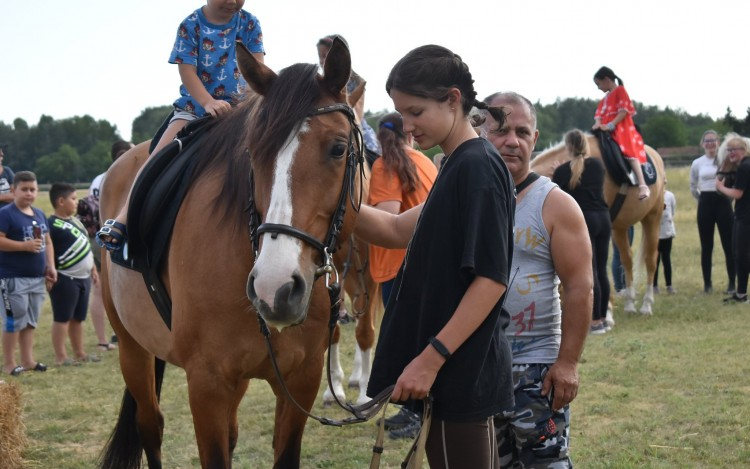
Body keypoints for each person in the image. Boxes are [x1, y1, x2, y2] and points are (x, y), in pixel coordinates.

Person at [355, 45, 515, 468]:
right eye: (400, 114)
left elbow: (491, 279)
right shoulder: (454, 165)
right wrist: (324, 201)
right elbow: (393, 229)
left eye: (416, 112)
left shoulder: (477, 168)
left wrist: (429, 360)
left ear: (453, 99)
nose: (406, 127)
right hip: (447, 368)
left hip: (458, 369)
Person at [97, 0, 265, 251]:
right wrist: (207, 102)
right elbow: (187, 71)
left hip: (241, 110)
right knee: (157, 158)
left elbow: (257, 68)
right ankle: (123, 217)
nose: (233, 1)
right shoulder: (191, 25)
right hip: (194, 109)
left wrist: (249, 103)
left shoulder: (250, 22)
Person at [482, 92, 592, 468]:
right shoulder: (463, 196)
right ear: (479, 130)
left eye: (522, 131)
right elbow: (398, 229)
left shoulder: (555, 204)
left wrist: (567, 363)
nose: (512, 140)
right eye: (500, 130)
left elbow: (579, 287)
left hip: (535, 370)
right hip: (478, 366)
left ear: (534, 137)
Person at [368, 112, 437, 439]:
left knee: (406, 344)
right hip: (428, 262)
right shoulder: (424, 161)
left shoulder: (385, 165)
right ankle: (415, 410)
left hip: (398, 264)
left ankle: (413, 414)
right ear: (408, 135)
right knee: (419, 342)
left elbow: (387, 217)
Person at [552, 129, 611, 334]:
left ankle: (593, 321)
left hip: (584, 221)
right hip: (603, 219)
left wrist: (557, 173)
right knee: (602, 270)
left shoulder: (561, 172)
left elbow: (558, 195)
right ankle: (603, 318)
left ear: (568, 147)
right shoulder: (598, 165)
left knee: (590, 271)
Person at [0, 171, 56, 376]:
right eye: (24, 190)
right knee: (14, 320)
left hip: (36, 278)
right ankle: (9, 363)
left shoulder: (40, 214)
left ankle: (28, 360)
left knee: (31, 320)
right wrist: (23, 246)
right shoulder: (6, 214)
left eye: (33, 189)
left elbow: (48, 242)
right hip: (12, 278)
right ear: (13, 190)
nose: (29, 194)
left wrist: (51, 266)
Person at [84, 140, 133, 350]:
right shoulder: (124, 176)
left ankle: (106, 335)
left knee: (100, 290)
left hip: (99, 233)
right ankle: (121, 330)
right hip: (118, 235)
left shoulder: (98, 179)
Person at [47, 183, 101, 366]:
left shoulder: (76, 221)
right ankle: (61, 356)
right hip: (65, 277)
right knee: (62, 318)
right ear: (61, 201)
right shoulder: (51, 225)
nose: (76, 202)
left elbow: (86, 246)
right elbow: (47, 251)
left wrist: (93, 269)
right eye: (73, 198)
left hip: (83, 278)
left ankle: (79, 352)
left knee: (78, 318)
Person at [316, 34, 381, 165]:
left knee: (372, 161)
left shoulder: (357, 82)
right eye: (320, 57)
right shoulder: (319, 83)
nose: (322, 61)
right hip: (327, 129)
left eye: (325, 56)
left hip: (354, 128)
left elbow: (357, 114)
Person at [592, 66, 650, 201]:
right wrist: (597, 125)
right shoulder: (604, 99)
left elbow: (623, 112)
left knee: (628, 151)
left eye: (598, 84)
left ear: (606, 80)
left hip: (621, 128)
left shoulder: (620, 91)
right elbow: (598, 115)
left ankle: (642, 184)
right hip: (605, 129)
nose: (598, 87)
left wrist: (611, 125)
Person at [690, 130, 735, 294]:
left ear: (718, 142)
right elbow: (693, 185)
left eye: (713, 140)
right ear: (702, 144)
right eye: (707, 141)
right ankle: (707, 285)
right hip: (705, 203)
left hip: (723, 202)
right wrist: (702, 199)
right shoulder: (697, 163)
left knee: (728, 245)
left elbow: (733, 181)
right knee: (706, 245)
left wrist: (729, 198)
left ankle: (732, 283)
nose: (710, 144)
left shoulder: (726, 160)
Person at [716, 133, 750, 304]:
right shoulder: (743, 166)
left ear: (743, 150)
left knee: (742, 254)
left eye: (734, 150)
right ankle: (741, 293)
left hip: (745, 216)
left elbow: (737, 193)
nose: (730, 153)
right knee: (739, 254)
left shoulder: (744, 167)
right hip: (742, 214)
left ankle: (742, 294)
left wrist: (720, 187)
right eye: (729, 150)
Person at [653, 187, 676, 294]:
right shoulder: (651, 195)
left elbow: (673, 211)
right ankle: (654, 285)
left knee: (666, 259)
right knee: (655, 260)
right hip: (655, 233)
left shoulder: (670, 195)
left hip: (667, 232)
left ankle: (669, 285)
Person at [0, 144, 15, 208]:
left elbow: (16, 195)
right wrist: (7, 196)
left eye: (1, 153)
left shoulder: (7, 171)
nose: (2, 154)